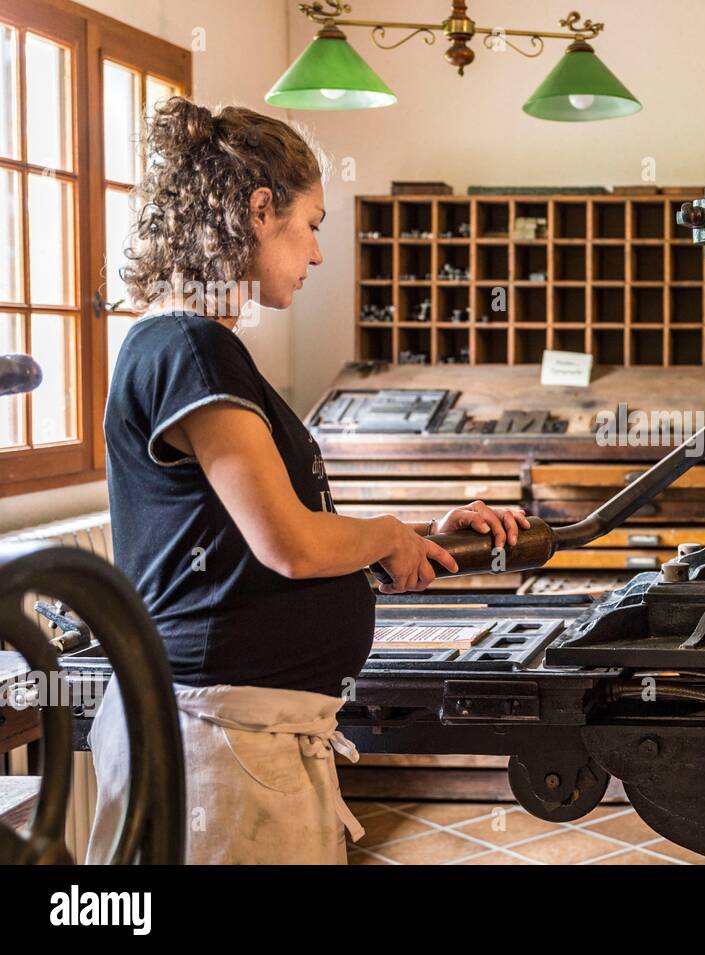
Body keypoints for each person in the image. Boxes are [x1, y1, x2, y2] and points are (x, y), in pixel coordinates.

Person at [86, 97, 527, 864]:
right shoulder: (190, 349)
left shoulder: (190, 345)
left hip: (240, 735)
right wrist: (386, 535)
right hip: (217, 743)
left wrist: (423, 536)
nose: (319, 253)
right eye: (312, 222)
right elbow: (287, 543)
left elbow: (262, 537)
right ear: (260, 211)